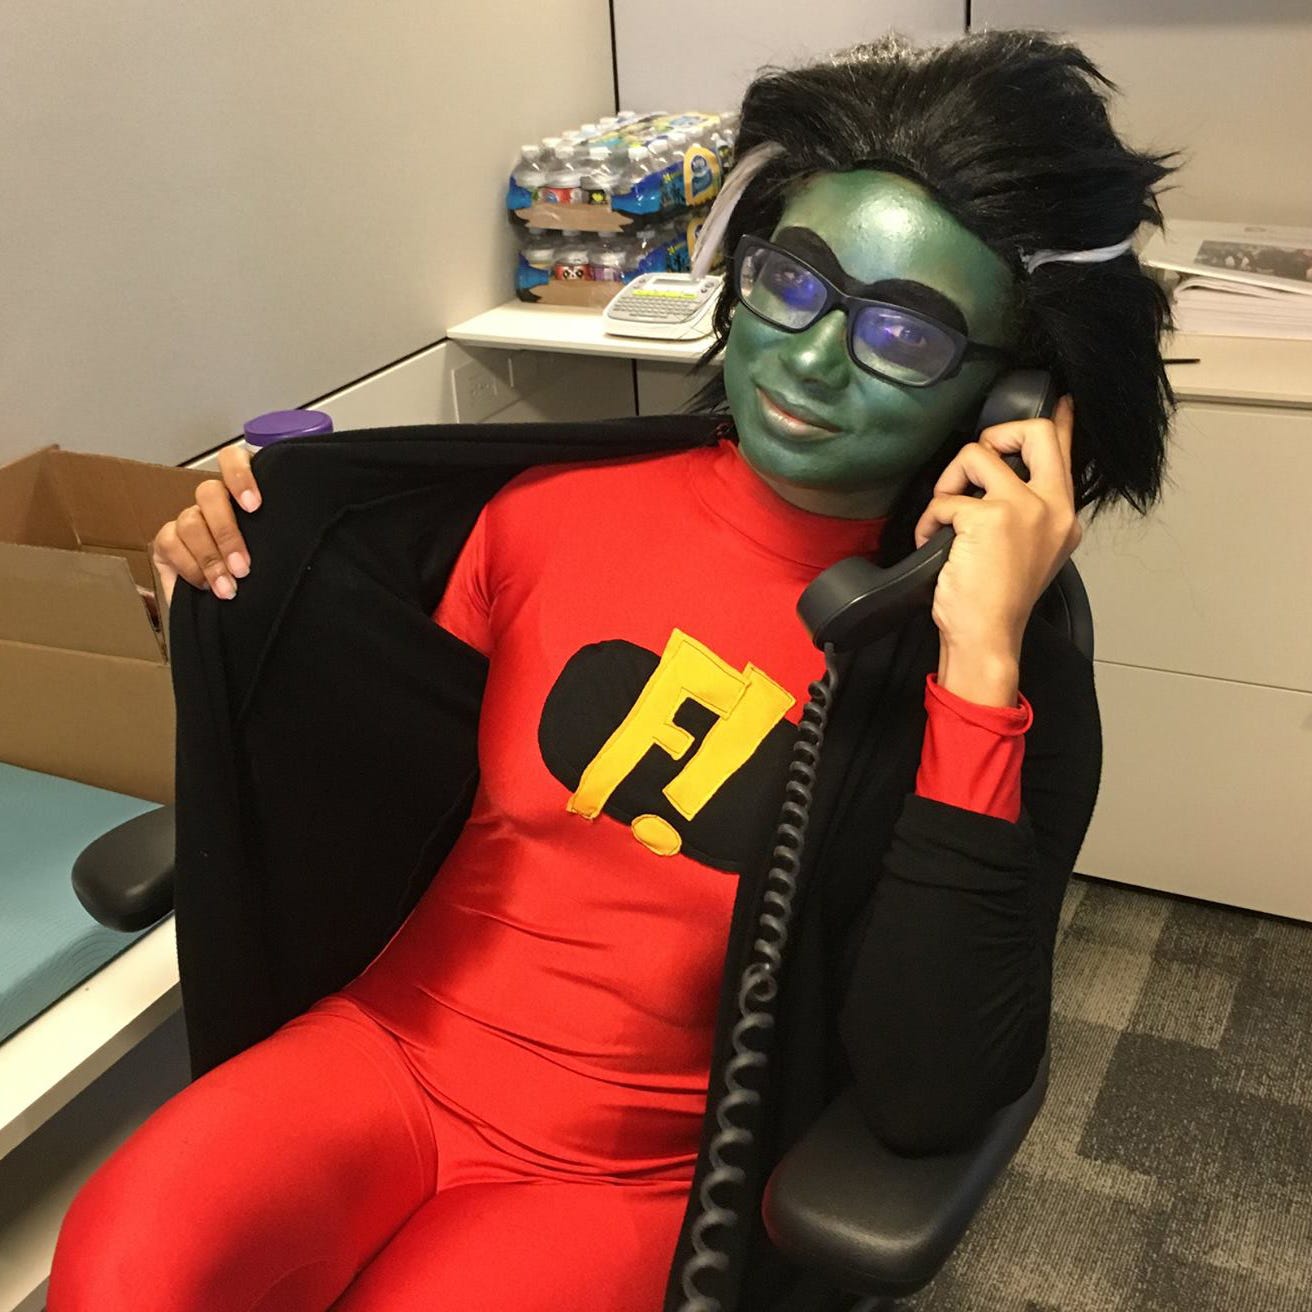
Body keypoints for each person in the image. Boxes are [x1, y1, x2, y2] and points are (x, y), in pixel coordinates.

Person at [49, 28, 1180, 1312]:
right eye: (792, 280)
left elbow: (934, 1089)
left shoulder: (973, 663)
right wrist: (221, 583)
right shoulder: (541, 511)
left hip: (627, 1168)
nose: (811, 357)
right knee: (121, 1264)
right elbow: (361, 769)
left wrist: (975, 664)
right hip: (388, 1051)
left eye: (903, 333)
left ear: (1011, 395)